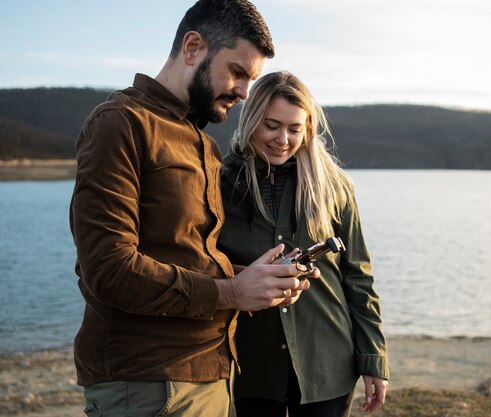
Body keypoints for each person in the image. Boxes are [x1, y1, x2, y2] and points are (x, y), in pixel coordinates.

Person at [69, 2, 314, 416]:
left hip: (211, 375)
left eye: (250, 79)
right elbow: (107, 269)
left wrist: (258, 281)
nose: (243, 92)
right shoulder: (120, 122)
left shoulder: (203, 144)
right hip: (148, 383)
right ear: (193, 47)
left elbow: (190, 261)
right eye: (237, 72)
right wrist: (232, 291)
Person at [217, 71, 390, 417]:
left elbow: (359, 277)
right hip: (252, 366)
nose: (283, 139)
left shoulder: (335, 187)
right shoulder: (220, 184)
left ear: (307, 129)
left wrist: (374, 358)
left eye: (295, 129)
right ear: (251, 121)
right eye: (272, 125)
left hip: (327, 363)